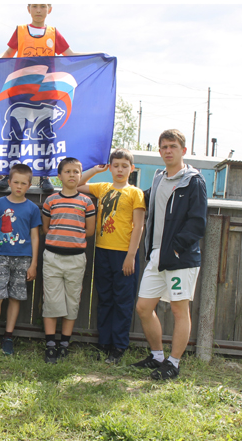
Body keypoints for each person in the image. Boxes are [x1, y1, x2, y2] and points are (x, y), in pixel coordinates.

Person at [0, 4, 93, 193]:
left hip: (46, 91)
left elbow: (70, 56)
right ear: (28, 8)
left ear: (49, 9)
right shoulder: (20, 31)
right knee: (15, 135)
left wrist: (96, 57)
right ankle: (8, 174)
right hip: (20, 89)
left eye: (42, 6)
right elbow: (7, 56)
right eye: (35, 6)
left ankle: (45, 177)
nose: (38, 10)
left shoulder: (54, 33)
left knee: (45, 135)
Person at [131, 129, 207, 380]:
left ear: (183, 150)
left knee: (178, 310)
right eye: (163, 147)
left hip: (180, 259)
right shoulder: (158, 179)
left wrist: (175, 249)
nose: (167, 151)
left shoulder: (194, 181)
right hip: (156, 256)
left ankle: (173, 364)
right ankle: (157, 356)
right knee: (143, 307)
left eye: (172, 146)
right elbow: (142, 202)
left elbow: (197, 223)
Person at [78, 149, 145, 364]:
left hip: (124, 253)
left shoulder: (135, 193)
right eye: (115, 165)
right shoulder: (103, 188)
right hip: (103, 251)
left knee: (122, 301)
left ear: (131, 169)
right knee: (105, 298)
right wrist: (96, 170)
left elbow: (139, 227)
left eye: (124, 166)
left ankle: (118, 347)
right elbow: (76, 185)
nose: (119, 170)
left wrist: (131, 255)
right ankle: (103, 344)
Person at [0, 164, 41, 355]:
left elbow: (35, 237)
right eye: (16, 182)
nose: (19, 186)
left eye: (23, 183)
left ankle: (8, 337)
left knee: (15, 297)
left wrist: (34, 264)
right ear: (9, 182)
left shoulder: (32, 208)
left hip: (23, 259)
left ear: (29, 185)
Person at [41, 158, 95, 363]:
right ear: (59, 175)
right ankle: (50, 344)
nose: (72, 175)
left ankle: (64, 343)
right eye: (68, 171)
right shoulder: (51, 200)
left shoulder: (86, 202)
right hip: (53, 257)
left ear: (80, 176)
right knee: (51, 301)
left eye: (76, 172)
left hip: (76, 259)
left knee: (72, 301)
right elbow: (46, 228)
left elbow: (89, 230)